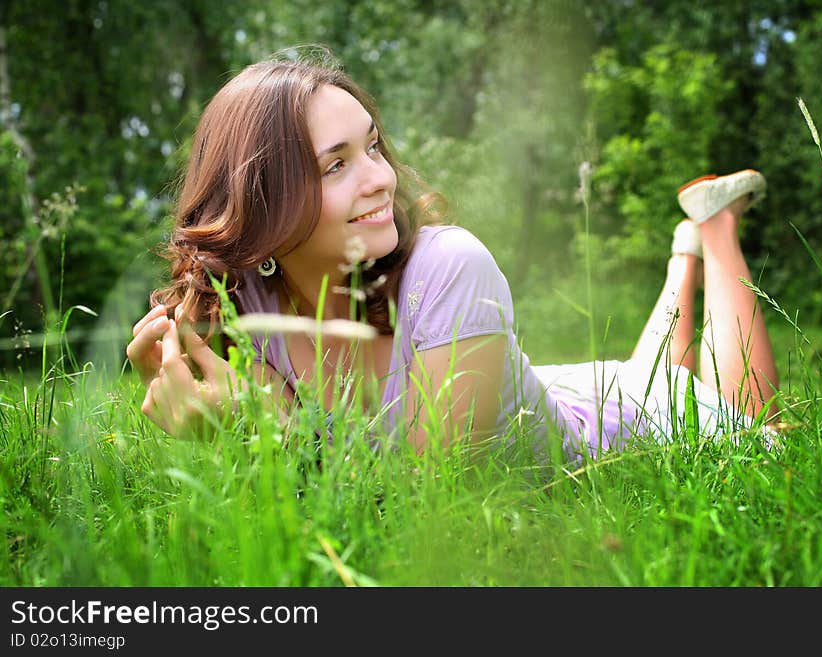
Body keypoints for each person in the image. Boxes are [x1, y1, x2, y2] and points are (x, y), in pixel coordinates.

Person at [126, 50, 780, 463]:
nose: (380, 177)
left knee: (751, 419)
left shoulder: (449, 268)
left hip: (624, 431)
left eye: (372, 146)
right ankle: (682, 254)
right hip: (564, 391)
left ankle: (715, 230)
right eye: (337, 165)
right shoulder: (250, 308)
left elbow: (425, 506)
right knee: (650, 372)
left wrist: (252, 433)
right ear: (262, 205)